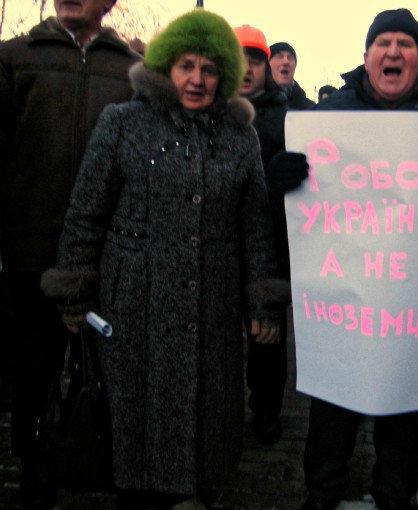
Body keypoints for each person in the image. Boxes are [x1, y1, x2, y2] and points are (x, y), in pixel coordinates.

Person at [40, 10, 287, 508]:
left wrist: (262, 302)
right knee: (137, 422)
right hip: (135, 304)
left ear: (224, 75)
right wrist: (74, 292)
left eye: (209, 69)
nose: (197, 79)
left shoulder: (240, 136)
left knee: (206, 417)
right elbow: (86, 212)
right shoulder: (122, 122)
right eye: (185, 66)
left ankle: (195, 494)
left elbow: (255, 226)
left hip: (213, 305)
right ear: (165, 68)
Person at [301, 9, 418, 510]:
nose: (393, 52)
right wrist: (285, 176)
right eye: (383, 42)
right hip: (344, 294)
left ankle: (396, 494)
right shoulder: (330, 115)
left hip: (410, 301)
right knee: (333, 405)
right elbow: (293, 203)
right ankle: (323, 492)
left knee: (401, 406)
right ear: (367, 55)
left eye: (405, 44)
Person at [0, 1, 140, 507]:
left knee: (106, 369)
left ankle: (100, 462)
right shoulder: (14, 57)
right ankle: (33, 468)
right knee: (33, 369)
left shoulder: (132, 70)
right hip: (31, 249)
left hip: (107, 254)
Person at [235, 24, 298, 445]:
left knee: (268, 337)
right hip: (220, 244)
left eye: (256, 60)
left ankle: (266, 410)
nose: (247, 68)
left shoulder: (287, 118)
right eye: (239, 58)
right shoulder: (207, 112)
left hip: (271, 244)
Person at [269, 41, 315, 109]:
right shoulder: (254, 105)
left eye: (290, 57)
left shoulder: (311, 109)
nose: (286, 61)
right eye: (279, 57)